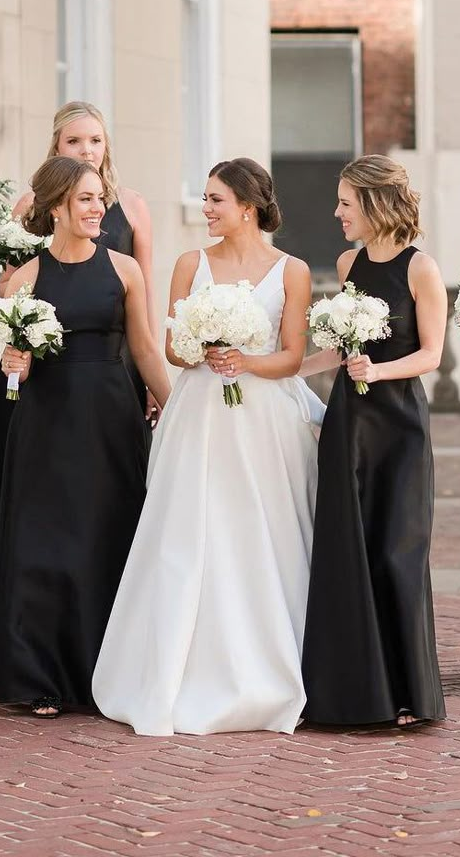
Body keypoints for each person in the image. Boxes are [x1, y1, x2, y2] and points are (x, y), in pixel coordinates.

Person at [93, 158, 320, 735]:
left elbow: (292, 355)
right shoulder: (190, 264)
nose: (206, 210)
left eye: (216, 200)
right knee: (190, 532)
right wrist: (204, 350)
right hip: (199, 417)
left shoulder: (292, 271)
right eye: (205, 199)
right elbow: (172, 348)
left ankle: (267, 668)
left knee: (260, 534)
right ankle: (177, 667)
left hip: (264, 421)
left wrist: (244, 360)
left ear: (248, 207)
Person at [0, 157, 170, 718]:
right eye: (86, 200)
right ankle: (40, 675)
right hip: (46, 423)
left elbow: (143, 349)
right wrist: (14, 362)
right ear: (56, 207)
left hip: (110, 420)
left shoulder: (124, 270)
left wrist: (178, 406)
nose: (98, 210)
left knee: (106, 537)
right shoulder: (25, 278)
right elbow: (10, 369)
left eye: (99, 199)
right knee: (44, 544)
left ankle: (105, 672)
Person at [301, 155, 447, 727]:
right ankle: (356, 689)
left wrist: (378, 374)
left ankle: (409, 691)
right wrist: (282, 369)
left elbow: (432, 354)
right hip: (350, 424)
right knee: (349, 548)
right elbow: (340, 349)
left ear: (375, 203)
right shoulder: (348, 264)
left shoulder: (422, 269)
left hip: (399, 423)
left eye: (345, 203)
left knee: (398, 549)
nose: (336, 212)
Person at [0, 101, 158, 548]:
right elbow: (12, 294)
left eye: (95, 140)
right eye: (74, 141)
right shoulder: (30, 207)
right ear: (56, 145)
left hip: (108, 364)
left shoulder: (132, 207)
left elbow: (143, 302)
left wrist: (156, 385)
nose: (86, 150)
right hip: (42, 372)